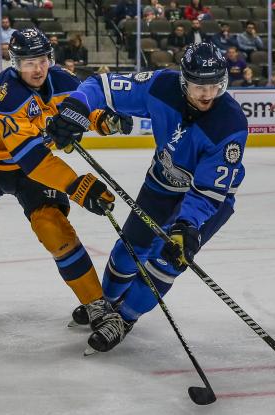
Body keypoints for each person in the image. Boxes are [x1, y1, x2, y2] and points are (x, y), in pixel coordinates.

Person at [0, 28, 132, 344]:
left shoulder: (62, 81)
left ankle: (97, 304)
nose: (36, 69)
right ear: (14, 63)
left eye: (42, 60)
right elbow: (32, 158)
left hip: (30, 170)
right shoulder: (3, 93)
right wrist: (77, 186)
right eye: (27, 62)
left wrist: (106, 120)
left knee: (53, 225)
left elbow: (85, 110)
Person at [45, 42, 247, 353]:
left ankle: (124, 318)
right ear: (183, 81)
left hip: (207, 203)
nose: (206, 95)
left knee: (167, 262)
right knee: (129, 249)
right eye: (197, 86)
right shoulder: (162, 86)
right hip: (162, 184)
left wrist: (186, 227)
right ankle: (107, 302)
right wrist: (78, 109)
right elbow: (100, 86)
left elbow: (208, 192)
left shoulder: (230, 124)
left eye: (214, 86)